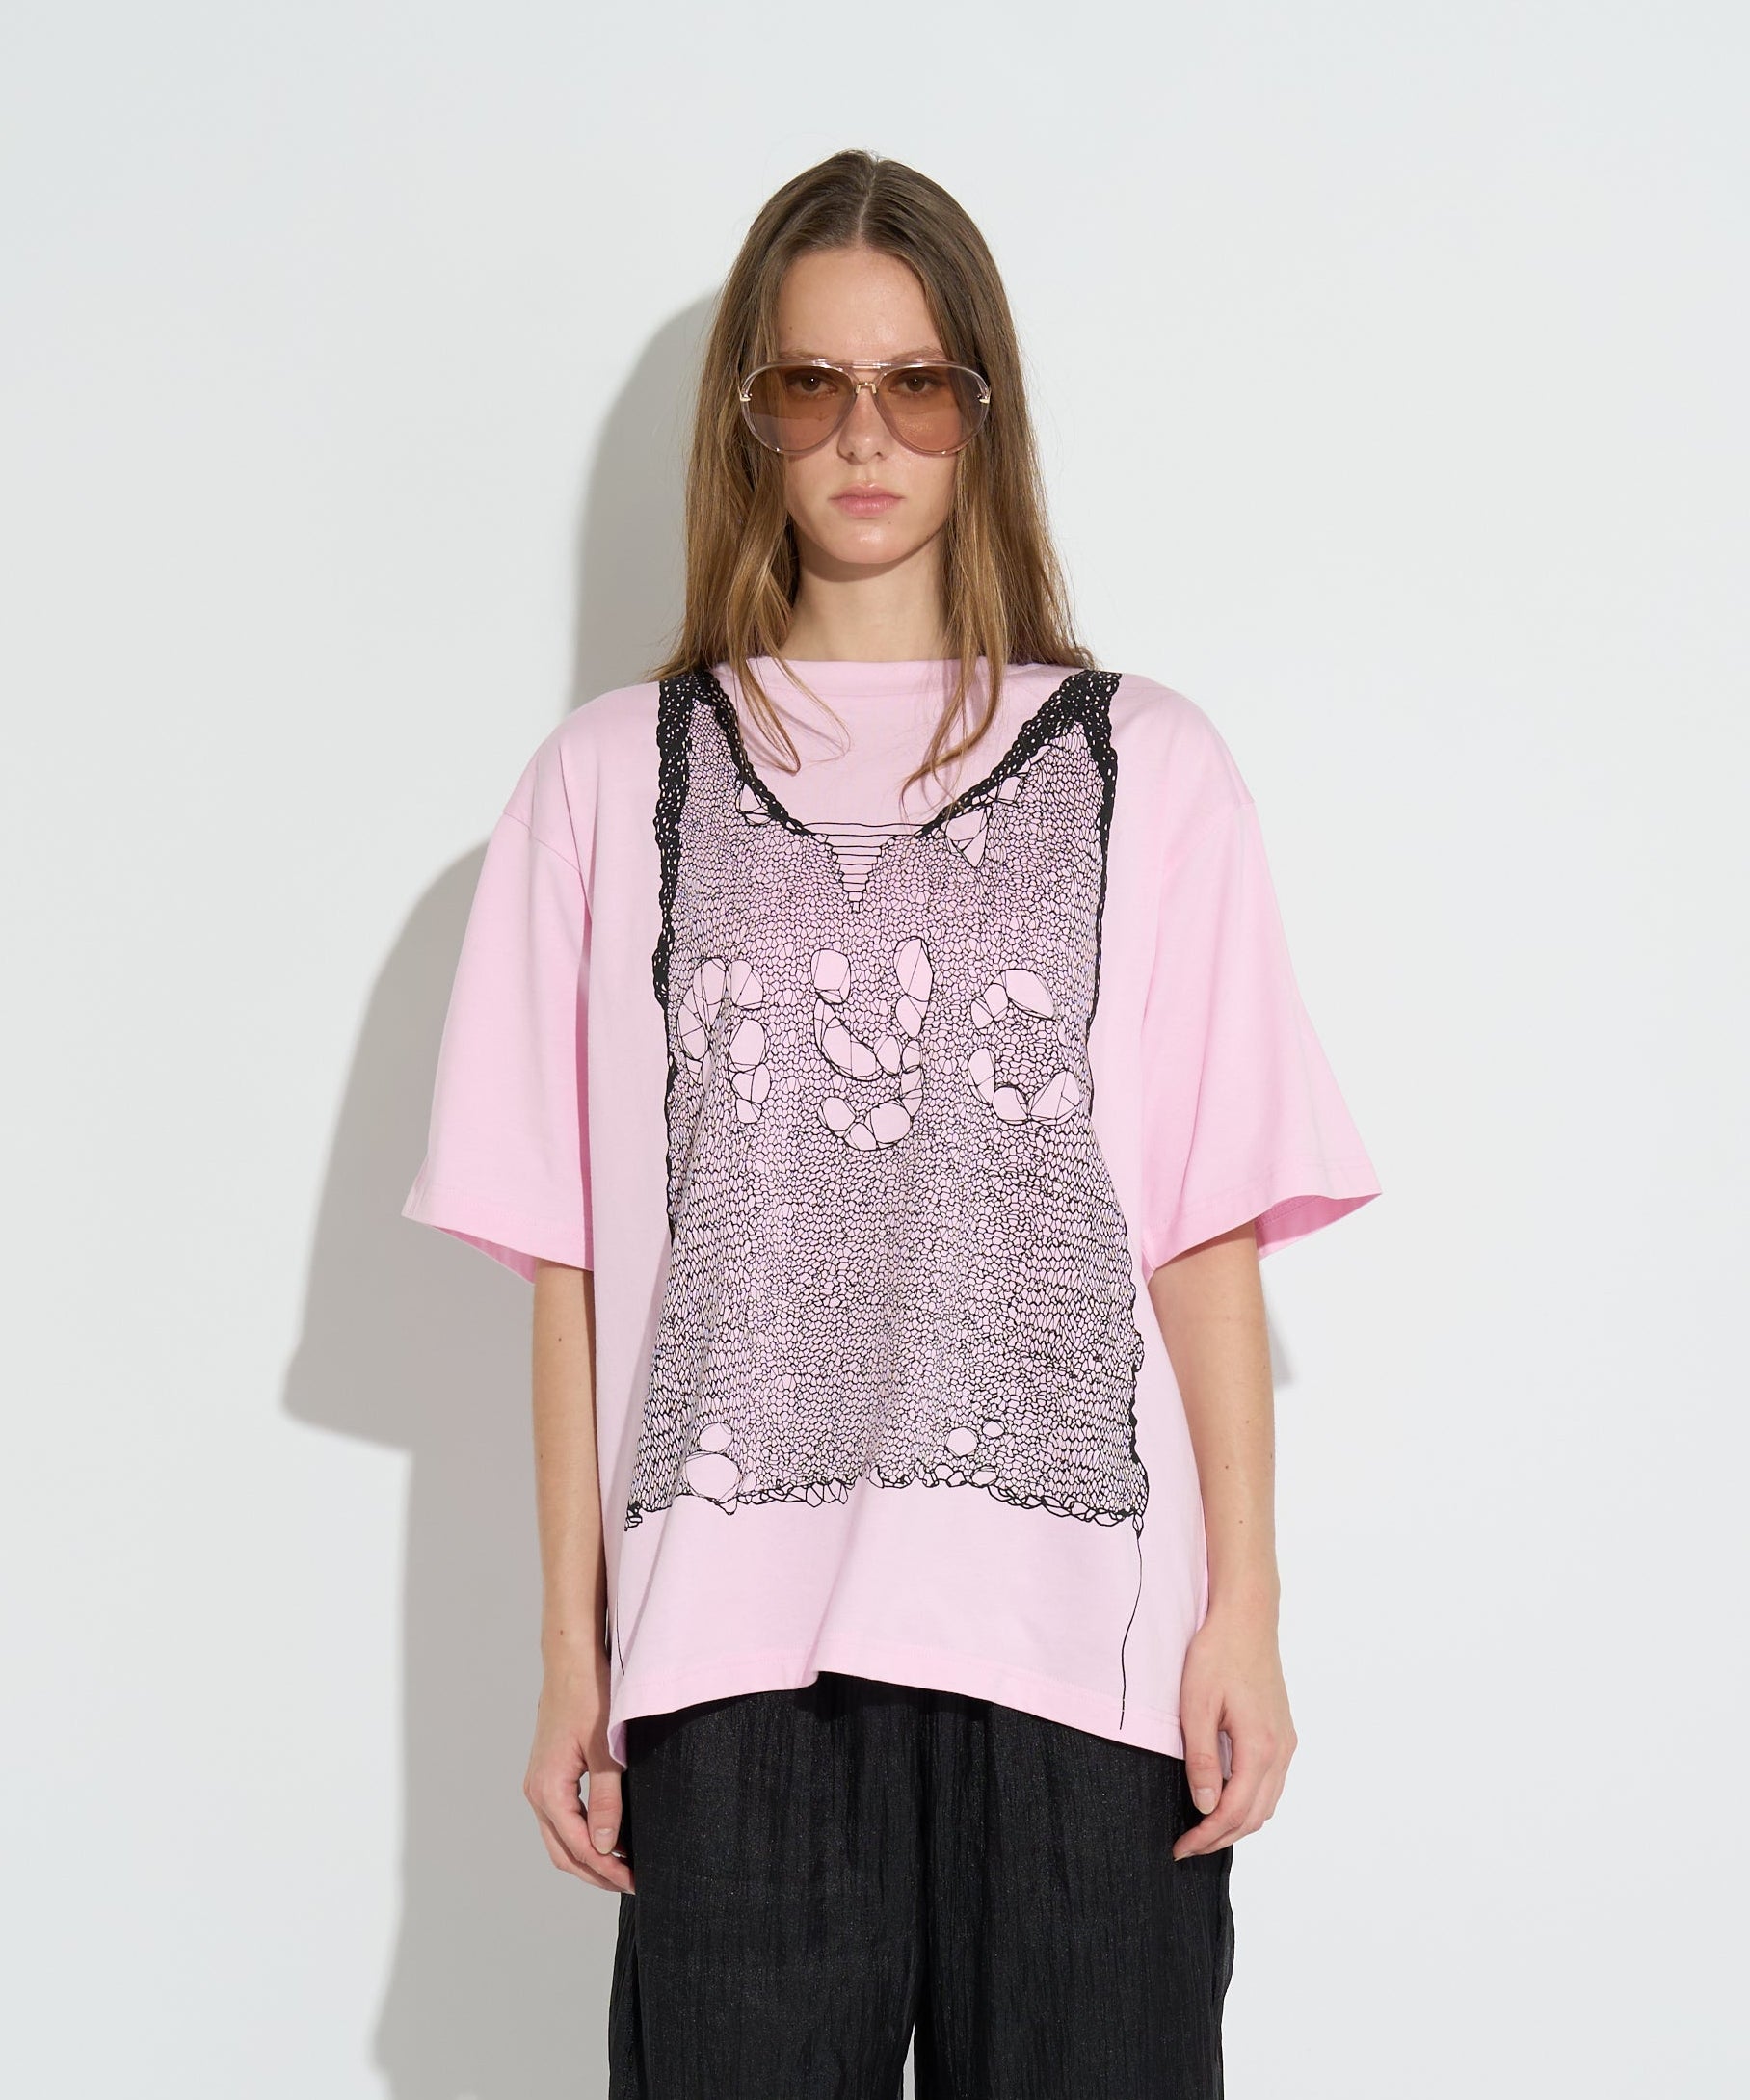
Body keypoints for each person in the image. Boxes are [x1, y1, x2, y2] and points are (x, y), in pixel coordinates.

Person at [401, 147, 1381, 2099]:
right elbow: (569, 1256)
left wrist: (1247, 1613)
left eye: (917, 385)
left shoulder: (1151, 763)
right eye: (812, 385)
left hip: (1085, 1661)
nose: (865, 436)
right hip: (728, 1665)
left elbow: (1200, 1224)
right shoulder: (604, 780)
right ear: (748, 417)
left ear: (980, 411)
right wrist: (572, 1654)